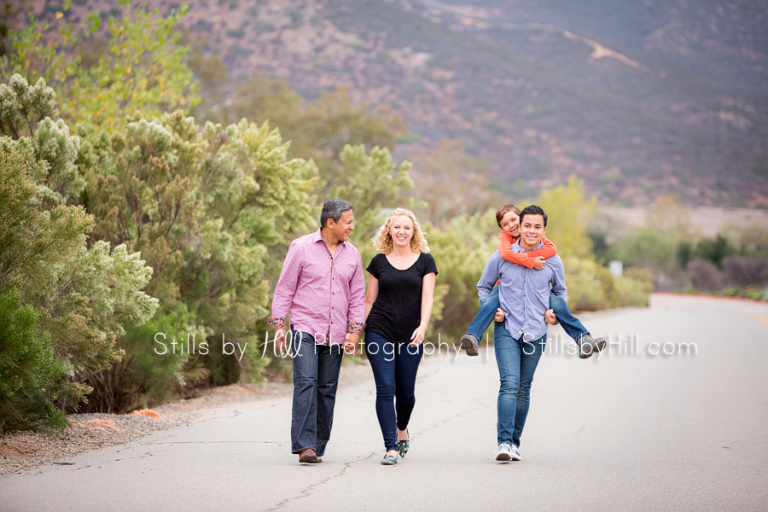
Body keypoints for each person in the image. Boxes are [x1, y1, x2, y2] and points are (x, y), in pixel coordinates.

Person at [269, 199, 366, 464]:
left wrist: (355, 332)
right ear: (330, 222)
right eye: (348, 222)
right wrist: (279, 326)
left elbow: (358, 297)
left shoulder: (353, 255)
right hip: (305, 326)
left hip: (336, 332)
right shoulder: (301, 248)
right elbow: (284, 289)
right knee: (306, 382)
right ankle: (305, 446)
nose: (352, 227)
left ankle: (318, 444)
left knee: (326, 388)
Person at [459, 203, 605, 358]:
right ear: (502, 228)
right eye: (505, 224)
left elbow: (552, 250)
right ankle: (473, 336)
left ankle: (583, 339)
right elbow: (505, 254)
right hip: (506, 288)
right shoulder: (505, 239)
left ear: (521, 219)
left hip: (534, 290)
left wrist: (553, 314)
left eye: (514, 219)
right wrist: (531, 261)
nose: (511, 225)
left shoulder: (533, 233)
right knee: (489, 302)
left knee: (557, 303)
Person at [476, 205, 564, 462]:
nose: (531, 230)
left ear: (543, 230)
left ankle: (514, 443)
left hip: (536, 330)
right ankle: (503, 443)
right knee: (510, 383)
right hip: (507, 328)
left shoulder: (553, 261)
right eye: (527, 225)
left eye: (537, 226)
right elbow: (484, 287)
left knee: (524, 388)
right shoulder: (500, 256)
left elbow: (559, 292)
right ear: (519, 228)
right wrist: (493, 310)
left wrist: (554, 313)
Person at [364, 208, 438, 465]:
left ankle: (402, 427)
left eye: (407, 227)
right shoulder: (378, 262)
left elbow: (427, 297)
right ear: (389, 231)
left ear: (413, 232)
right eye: (397, 227)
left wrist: (423, 325)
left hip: (411, 333)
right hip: (379, 330)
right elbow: (369, 300)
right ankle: (390, 447)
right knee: (385, 388)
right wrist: (355, 331)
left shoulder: (426, 261)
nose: (401, 232)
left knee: (405, 392)